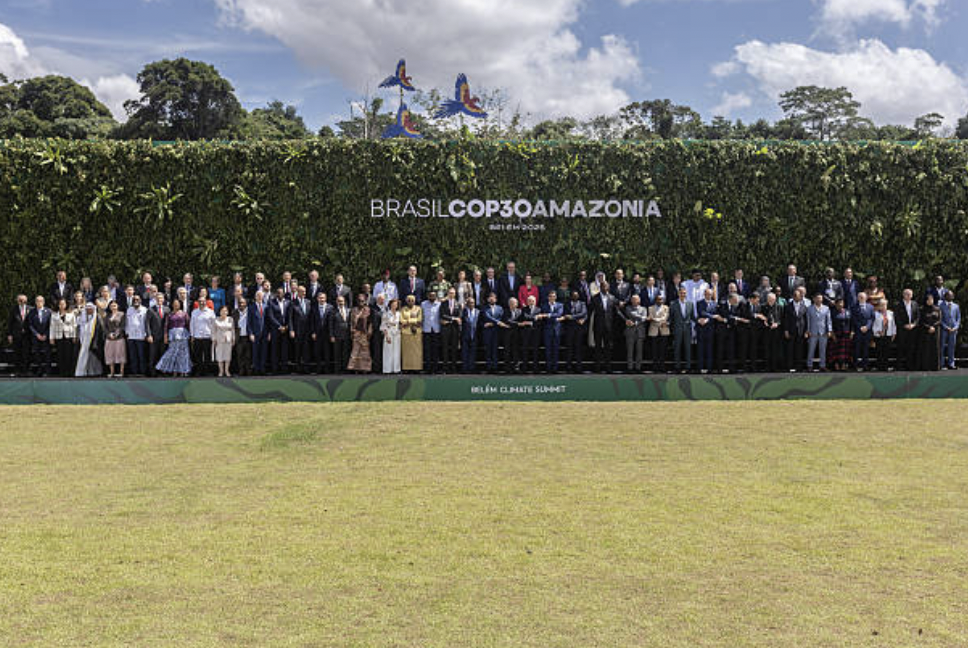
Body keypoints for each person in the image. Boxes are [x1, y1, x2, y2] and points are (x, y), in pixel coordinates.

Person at [155, 299, 191, 376]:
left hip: (183, 335)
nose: (176, 305)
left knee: (183, 354)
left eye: (177, 304)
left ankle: (183, 371)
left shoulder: (184, 314)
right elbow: (166, 326)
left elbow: (188, 325)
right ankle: (174, 371)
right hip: (173, 336)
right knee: (172, 353)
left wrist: (191, 335)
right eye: (174, 304)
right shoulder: (169, 315)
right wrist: (165, 336)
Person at [589, 281, 617, 373]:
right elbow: (590, 312)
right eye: (603, 286)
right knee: (597, 347)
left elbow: (617, 312)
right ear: (600, 287)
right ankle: (597, 368)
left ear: (608, 287)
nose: (605, 288)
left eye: (606, 286)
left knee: (608, 348)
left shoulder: (612, 298)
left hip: (609, 327)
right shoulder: (594, 298)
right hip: (598, 326)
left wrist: (626, 319)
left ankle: (608, 368)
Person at [49, 298, 77, 377]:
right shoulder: (54, 315)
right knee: (60, 355)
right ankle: (62, 372)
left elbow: (74, 325)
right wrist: (51, 337)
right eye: (60, 304)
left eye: (63, 304)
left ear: (66, 305)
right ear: (58, 305)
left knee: (69, 355)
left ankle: (69, 372)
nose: (62, 305)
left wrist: (74, 336)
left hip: (69, 336)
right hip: (59, 336)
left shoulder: (71, 314)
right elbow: (52, 326)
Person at [669, 287, 694, 373]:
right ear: (678, 294)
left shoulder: (690, 304)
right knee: (677, 348)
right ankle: (677, 367)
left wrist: (699, 320)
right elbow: (670, 317)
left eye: (684, 293)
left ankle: (688, 367)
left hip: (687, 329)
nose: (683, 294)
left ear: (686, 294)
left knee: (688, 348)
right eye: (681, 293)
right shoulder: (673, 304)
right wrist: (667, 323)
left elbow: (693, 317)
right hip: (677, 329)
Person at [805, 293, 832, 372]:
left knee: (823, 350)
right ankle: (809, 366)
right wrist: (808, 330)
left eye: (820, 298)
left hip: (823, 332)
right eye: (817, 298)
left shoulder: (826, 308)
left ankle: (822, 366)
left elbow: (829, 320)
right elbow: (808, 321)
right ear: (814, 299)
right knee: (811, 350)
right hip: (812, 332)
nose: (819, 300)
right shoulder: (809, 308)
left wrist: (829, 330)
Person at [75, 302, 103, 377]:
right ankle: (82, 372)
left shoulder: (97, 318)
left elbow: (99, 330)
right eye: (88, 309)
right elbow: (78, 328)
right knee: (83, 356)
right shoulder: (81, 318)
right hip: (83, 341)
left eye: (91, 309)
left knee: (93, 357)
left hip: (94, 341)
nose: (89, 310)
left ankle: (94, 372)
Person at [25, 295, 51, 376]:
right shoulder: (32, 312)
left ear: (43, 302)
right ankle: (39, 370)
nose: (39, 303)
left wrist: (46, 334)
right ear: (35, 302)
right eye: (37, 301)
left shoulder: (48, 311)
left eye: (41, 301)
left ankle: (48, 371)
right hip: (36, 337)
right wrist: (37, 335)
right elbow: (30, 325)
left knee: (47, 354)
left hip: (46, 337)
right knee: (37, 354)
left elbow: (50, 325)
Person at [894, 289, 920, 371]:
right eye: (907, 294)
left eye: (910, 294)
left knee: (911, 348)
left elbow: (918, 316)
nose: (908, 296)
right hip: (902, 329)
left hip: (912, 329)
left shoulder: (915, 304)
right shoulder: (898, 305)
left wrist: (914, 324)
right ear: (903, 295)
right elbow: (896, 317)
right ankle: (899, 366)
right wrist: (903, 325)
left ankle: (909, 366)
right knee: (901, 348)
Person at [289, 286, 312, 374]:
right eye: (302, 292)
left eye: (305, 291)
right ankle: (298, 369)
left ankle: (306, 368)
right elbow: (290, 318)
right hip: (297, 330)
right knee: (297, 350)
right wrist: (291, 330)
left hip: (307, 330)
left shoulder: (308, 302)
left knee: (306, 350)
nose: (304, 293)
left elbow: (311, 317)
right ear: (298, 292)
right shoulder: (293, 303)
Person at [621, 293, 648, 372]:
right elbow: (632, 314)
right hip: (630, 332)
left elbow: (644, 319)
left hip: (640, 332)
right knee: (630, 351)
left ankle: (638, 368)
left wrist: (638, 321)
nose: (634, 300)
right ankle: (630, 368)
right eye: (633, 299)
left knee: (639, 351)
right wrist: (641, 317)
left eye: (636, 299)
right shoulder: (628, 308)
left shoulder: (644, 309)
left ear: (639, 300)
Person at [784, 288, 808, 372]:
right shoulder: (788, 306)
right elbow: (786, 319)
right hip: (791, 330)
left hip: (801, 331)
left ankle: (799, 367)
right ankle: (790, 366)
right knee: (790, 349)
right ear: (793, 297)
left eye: (798, 296)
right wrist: (786, 330)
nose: (797, 297)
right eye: (795, 296)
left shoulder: (804, 306)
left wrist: (806, 331)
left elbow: (806, 320)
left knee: (799, 349)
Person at [189, 298, 215, 376]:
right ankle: (199, 371)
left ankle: (207, 371)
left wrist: (213, 335)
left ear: (206, 302)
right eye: (200, 301)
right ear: (198, 303)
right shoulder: (194, 312)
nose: (201, 303)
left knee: (207, 355)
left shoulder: (210, 312)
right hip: (197, 336)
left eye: (203, 301)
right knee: (198, 355)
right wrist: (192, 335)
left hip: (207, 336)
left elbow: (213, 325)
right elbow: (192, 324)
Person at [347, 294, 373, 373]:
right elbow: (351, 322)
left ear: (365, 301)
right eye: (359, 301)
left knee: (364, 352)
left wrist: (370, 331)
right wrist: (352, 331)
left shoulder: (368, 310)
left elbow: (370, 322)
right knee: (356, 351)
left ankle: (365, 368)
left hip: (364, 333)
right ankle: (355, 368)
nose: (360, 302)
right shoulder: (354, 310)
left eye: (362, 301)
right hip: (356, 333)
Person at [563, 291, 587, 373]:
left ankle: (579, 367)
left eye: (576, 295)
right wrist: (574, 317)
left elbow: (584, 313)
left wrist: (572, 317)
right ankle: (568, 367)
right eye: (573, 295)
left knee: (578, 348)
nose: (575, 296)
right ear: (571, 296)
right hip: (569, 328)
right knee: (569, 348)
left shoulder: (582, 303)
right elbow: (566, 315)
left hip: (579, 329)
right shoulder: (566, 304)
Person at [439, 287, 462, 374]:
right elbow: (442, 315)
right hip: (446, 329)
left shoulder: (458, 304)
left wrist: (451, 320)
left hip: (455, 329)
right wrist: (453, 318)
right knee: (445, 349)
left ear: (455, 294)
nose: (451, 294)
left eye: (453, 293)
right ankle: (445, 368)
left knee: (454, 349)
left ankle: (453, 367)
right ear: (448, 294)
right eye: (450, 293)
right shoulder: (443, 303)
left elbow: (459, 316)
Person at [7, 294, 31, 376]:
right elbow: (10, 323)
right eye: (20, 300)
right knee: (17, 353)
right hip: (16, 335)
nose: (22, 301)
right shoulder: (14, 309)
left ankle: (26, 371)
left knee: (26, 353)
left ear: (26, 300)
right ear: (17, 300)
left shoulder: (30, 309)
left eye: (23, 300)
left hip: (27, 335)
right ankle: (17, 371)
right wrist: (9, 334)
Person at [267, 287, 290, 374]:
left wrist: (286, 326)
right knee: (275, 350)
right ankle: (275, 369)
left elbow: (289, 315)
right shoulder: (271, 302)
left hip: (285, 330)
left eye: (281, 293)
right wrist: (279, 326)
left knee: (284, 350)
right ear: (276, 294)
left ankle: (284, 369)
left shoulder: (288, 302)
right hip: (275, 330)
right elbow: (271, 316)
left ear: (284, 293)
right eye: (278, 293)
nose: (280, 294)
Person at [695, 289, 717, 374]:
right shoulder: (699, 303)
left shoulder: (714, 304)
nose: (709, 295)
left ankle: (709, 368)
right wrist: (712, 316)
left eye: (710, 294)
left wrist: (708, 319)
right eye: (707, 294)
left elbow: (716, 314)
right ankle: (699, 368)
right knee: (700, 349)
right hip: (701, 329)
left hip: (710, 329)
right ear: (704, 294)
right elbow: (701, 312)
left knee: (709, 349)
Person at [102, 300, 126, 378]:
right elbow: (105, 327)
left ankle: (121, 372)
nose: (113, 307)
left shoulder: (122, 314)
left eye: (115, 306)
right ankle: (111, 372)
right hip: (109, 338)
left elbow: (122, 326)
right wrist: (109, 334)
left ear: (117, 306)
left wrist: (116, 334)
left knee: (120, 354)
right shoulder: (107, 316)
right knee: (110, 354)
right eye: (112, 306)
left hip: (119, 338)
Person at [310, 292, 332, 374]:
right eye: (320, 298)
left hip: (327, 333)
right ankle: (318, 369)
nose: (322, 299)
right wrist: (313, 332)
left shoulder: (330, 307)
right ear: (317, 299)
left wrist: (331, 334)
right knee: (317, 352)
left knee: (327, 352)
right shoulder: (314, 308)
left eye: (323, 298)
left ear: (325, 298)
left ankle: (327, 369)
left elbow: (331, 322)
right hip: (317, 333)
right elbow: (312, 321)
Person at [400, 294, 423, 373]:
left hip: (416, 333)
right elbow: (402, 321)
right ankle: (406, 368)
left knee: (416, 351)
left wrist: (408, 321)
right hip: (406, 333)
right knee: (406, 352)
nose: (410, 302)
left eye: (412, 300)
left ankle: (417, 368)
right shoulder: (403, 309)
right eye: (409, 300)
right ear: (406, 301)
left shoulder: (418, 309)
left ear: (415, 301)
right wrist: (413, 321)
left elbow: (419, 320)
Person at [852, 291, 875, 371]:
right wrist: (860, 327)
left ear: (866, 298)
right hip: (858, 331)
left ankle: (865, 365)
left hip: (867, 331)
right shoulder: (854, 307)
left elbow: (872, 318)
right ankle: (855, 366)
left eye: (863, 297)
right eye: (860, 297)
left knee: (866, 349)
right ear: (858, 298)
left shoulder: (871, 307)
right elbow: (854, 319)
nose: (861, 298)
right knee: (857, 349)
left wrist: (867, 327)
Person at [248, 292, 269, 375]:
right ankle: (256, 369)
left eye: (261, 296)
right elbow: (249, 322)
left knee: (264, 351)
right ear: (255, 297)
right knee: (256, 352)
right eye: (258, 296)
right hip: (255, 333)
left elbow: (268, 321)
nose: (260, 297)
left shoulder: (266, 306)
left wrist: (269, 333)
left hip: (264, 333)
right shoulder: (251, 307)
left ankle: (262, 369)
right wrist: (251, 333)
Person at [481, 293, 503, 373]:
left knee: (495, 350)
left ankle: (495, 367)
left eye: (493, 298)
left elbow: (501, 318)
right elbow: (487, 317)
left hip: (496, 332)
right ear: (487, 299)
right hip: (487, 332)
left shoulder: (500, 308)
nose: (491, 299)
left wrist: (493, 323)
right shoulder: (484, 308)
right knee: (488, 350)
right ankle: (489, 367)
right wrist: (497, 322)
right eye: (490, 298)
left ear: (496, 299)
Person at [647, 294, 670, 373]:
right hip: (654, 331)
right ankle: (655, 367)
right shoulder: (650, 308)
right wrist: (658, 320)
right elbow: (650, 317)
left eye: (661, 299)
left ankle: (662, 366)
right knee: (654, 350)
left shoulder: (666, 308)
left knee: (663, 350)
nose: (659, 301)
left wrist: (655, 319)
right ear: (655, 300)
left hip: (664, 330)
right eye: (658, 299)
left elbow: (665, 317)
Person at [828, 299, 853, 372]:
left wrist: (852, 332)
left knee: (845, 352)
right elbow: (830, 323)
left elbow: (851, 323)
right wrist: (832, 333)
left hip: (846, 334)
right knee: (836, 352)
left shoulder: (848, 312)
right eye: (838, 303)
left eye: (842, 303)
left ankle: (844, 365)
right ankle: (836, 365)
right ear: (835, 304)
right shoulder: (832, 312)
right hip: (836, 334)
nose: (840, 304)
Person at [761, 292, 783, 372]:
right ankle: (767, 367)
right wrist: (764, 322)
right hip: (766, 331)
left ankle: (775, 367)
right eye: (769, 299)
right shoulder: (763, 307)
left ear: (775, 299)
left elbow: (782, 318)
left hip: (776, 332)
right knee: (767, 350)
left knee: (775, 350)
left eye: (772, 299)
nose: (771, 301)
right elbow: (761, 317)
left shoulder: (779, 307)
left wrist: (777, 324)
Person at [421, 291, 442, 374]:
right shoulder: (423, 304)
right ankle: (428, 368)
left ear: (436, 296)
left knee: (435, 350)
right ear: (427, 296)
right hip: (426, 329)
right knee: (427, 350)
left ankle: (435, 368)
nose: (432, 297)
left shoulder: (439, 304)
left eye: (433, 295)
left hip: (436, 329)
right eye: (430, 295)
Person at [330, 295, 352, 373]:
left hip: (347, 335)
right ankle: (338, 370)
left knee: (346, 353)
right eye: (339, 301)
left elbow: (351, 323)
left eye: (342, 301)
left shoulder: (349, 310)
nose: (340, 303)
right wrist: (331, 335)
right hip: (337, 335)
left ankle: (345, 369)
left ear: (344, 301)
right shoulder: (333, 311)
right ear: (336, 302)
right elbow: (331, 324)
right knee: (337, 353)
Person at [872, 300, 896, 371]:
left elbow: (893, 324)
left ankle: (885, 367)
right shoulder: (875, 314)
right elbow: (873, 325)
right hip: (879, 336)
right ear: (879, 306)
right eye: (881, 305)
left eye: (884, 305)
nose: (883, 306)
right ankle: (879, 367)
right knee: (879, 351)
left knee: (887, 352)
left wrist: (894, 333)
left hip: (888, 335)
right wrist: (878, 331)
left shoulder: (891, 313)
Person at [918, 294, 941, 371]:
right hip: (925, 332)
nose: (930, 301)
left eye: (932, 299)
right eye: (929, 300)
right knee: (926, 349)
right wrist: (928, 327)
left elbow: (939, 320)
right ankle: (925, 366)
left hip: (935, 332)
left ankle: (935, 367)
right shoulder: (922, 309)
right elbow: (920, 321)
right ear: (926, 300)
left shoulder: (937, 309)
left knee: (935, 348)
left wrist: (933, 326)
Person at [521, 295, 542, 373]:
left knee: (536, 350)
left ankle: (535, 368)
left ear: (535, 301)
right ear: (527, 302)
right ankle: (525, 368)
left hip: (536, 333)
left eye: (532, 301)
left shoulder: (539, 309)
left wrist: (530, 321)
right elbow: (525, 317)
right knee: (525, 350)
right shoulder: (524, 309)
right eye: (529, 301)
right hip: (526, 333)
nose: (531, 302)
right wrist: (535, 318)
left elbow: (540, 321)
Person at [940, 290, 961, 370]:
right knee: (942, 347)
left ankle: (951, 364)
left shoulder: (956, 306)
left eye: (952, 295)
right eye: (949, 295)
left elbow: (958, 318)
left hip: (953, 330)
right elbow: (940, 319)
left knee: (952, 347)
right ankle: (941, 364)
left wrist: (956, 327)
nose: (950, 296)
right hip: (944, 329)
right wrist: (946, 327)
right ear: (945, 296)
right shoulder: (941, 306)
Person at [212, 306, 235, 377]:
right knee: (220, 356)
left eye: (225, 311)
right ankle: (221, 371)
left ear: (227, 312)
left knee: (227, 356)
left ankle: (227, 371)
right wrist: (214, 339)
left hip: (228, 340)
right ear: (219, 312)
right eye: (222, 311)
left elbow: (233, 330)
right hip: (219, 340)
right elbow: (213, 330)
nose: (224, 312)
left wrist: (233, 338)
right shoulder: (216, 319)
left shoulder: (230, 319)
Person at [381, 298, 402, 374]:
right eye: (393, 304)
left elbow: (400, 324)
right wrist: (386, 336)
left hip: (397, 334)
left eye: (396, 304)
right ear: (390, 305)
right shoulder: (386, 314)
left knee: (396, 352)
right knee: (388, 351)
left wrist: (400, 330)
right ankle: (387, 369)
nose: (394, 306)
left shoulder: (399, 314)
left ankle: (396, 369)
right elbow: (383, 326)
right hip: (389, 333)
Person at [503, 297, 524, 372]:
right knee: (507, 350)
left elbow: (522, 320)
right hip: (507, 334)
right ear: (508, 304)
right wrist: (518, 324)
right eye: (511, 303)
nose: (512, 304)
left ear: (517, 304)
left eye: (514, 303)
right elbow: (507, 320)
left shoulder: (520, 311)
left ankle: (516, 366)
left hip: (517, 334)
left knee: (516, 350)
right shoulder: (505, 311)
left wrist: (519, 324)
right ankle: (507, 367)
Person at [232, 296, 251, 376]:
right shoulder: (234, 312)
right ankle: (241, 371)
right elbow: (232, 325)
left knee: (248, 355)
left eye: (243, 302)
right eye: (239, 303)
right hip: (239, 337)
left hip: (248, 336)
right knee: (239, 355)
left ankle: (248, 370)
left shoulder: (250, 312)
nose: (241, 304)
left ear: (246, 304)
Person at [460, 296, 480, 373]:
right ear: (467, 304)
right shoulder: (463, 311)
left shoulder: (478, 311)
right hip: (465, 334)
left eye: (473, 303)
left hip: (474, 335)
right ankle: (465, 368)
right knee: (465, 352)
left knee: (473, 352)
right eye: (470, 303)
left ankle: (472, 368)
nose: (471, 304)